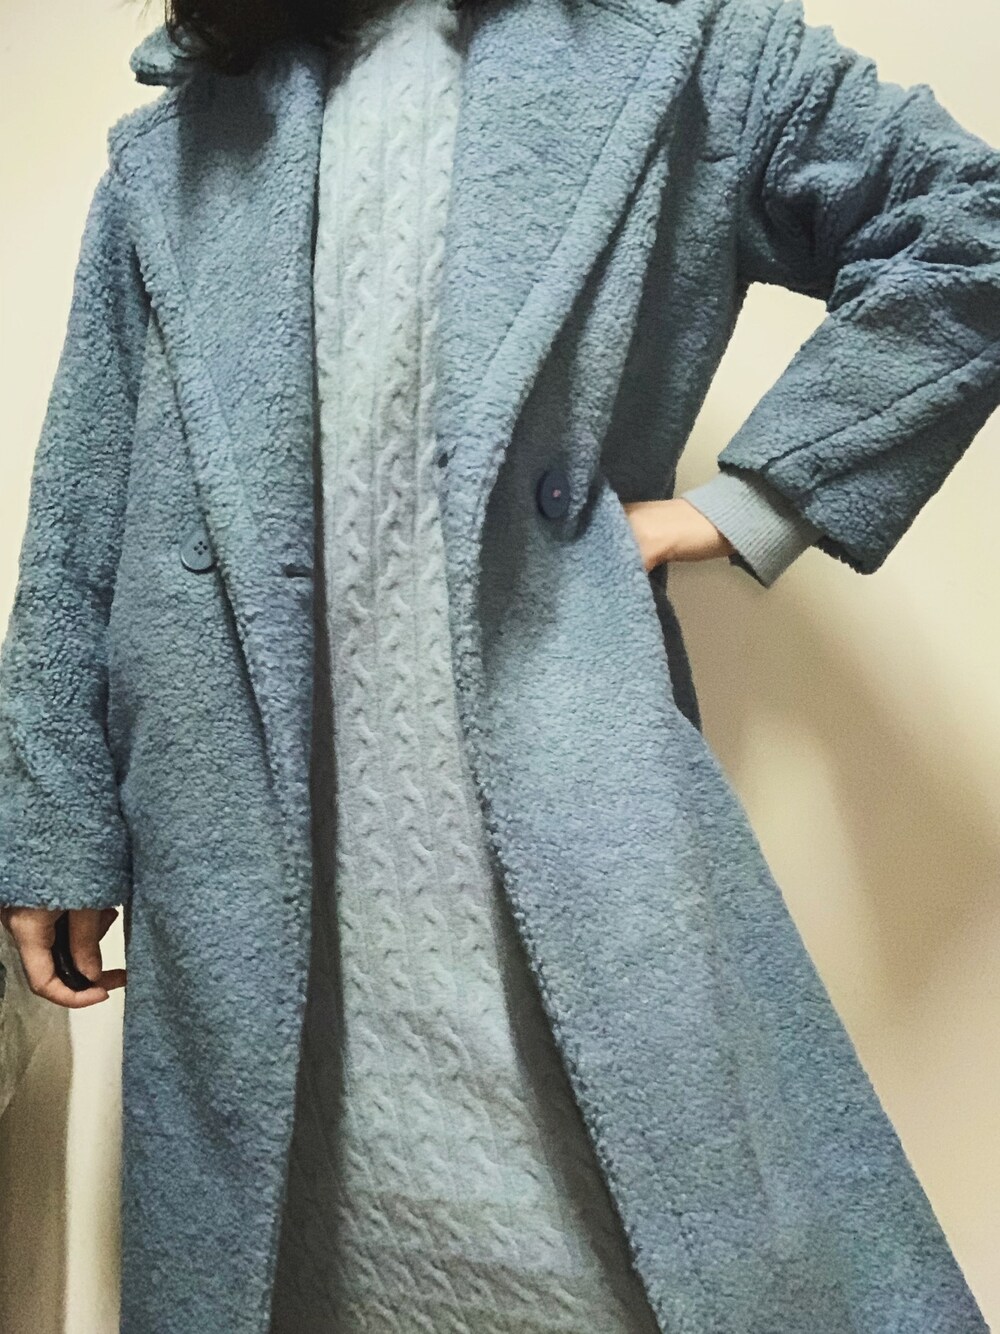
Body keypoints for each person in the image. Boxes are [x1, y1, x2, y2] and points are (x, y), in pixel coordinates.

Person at [1, 0, 997, 1329]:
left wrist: (750, 502)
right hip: (238, 874)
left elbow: (969, 221)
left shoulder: (682, 51)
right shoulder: (178, 142)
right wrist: (53, 818)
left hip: (542, 864)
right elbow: (85, 501)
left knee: (656, 1258)